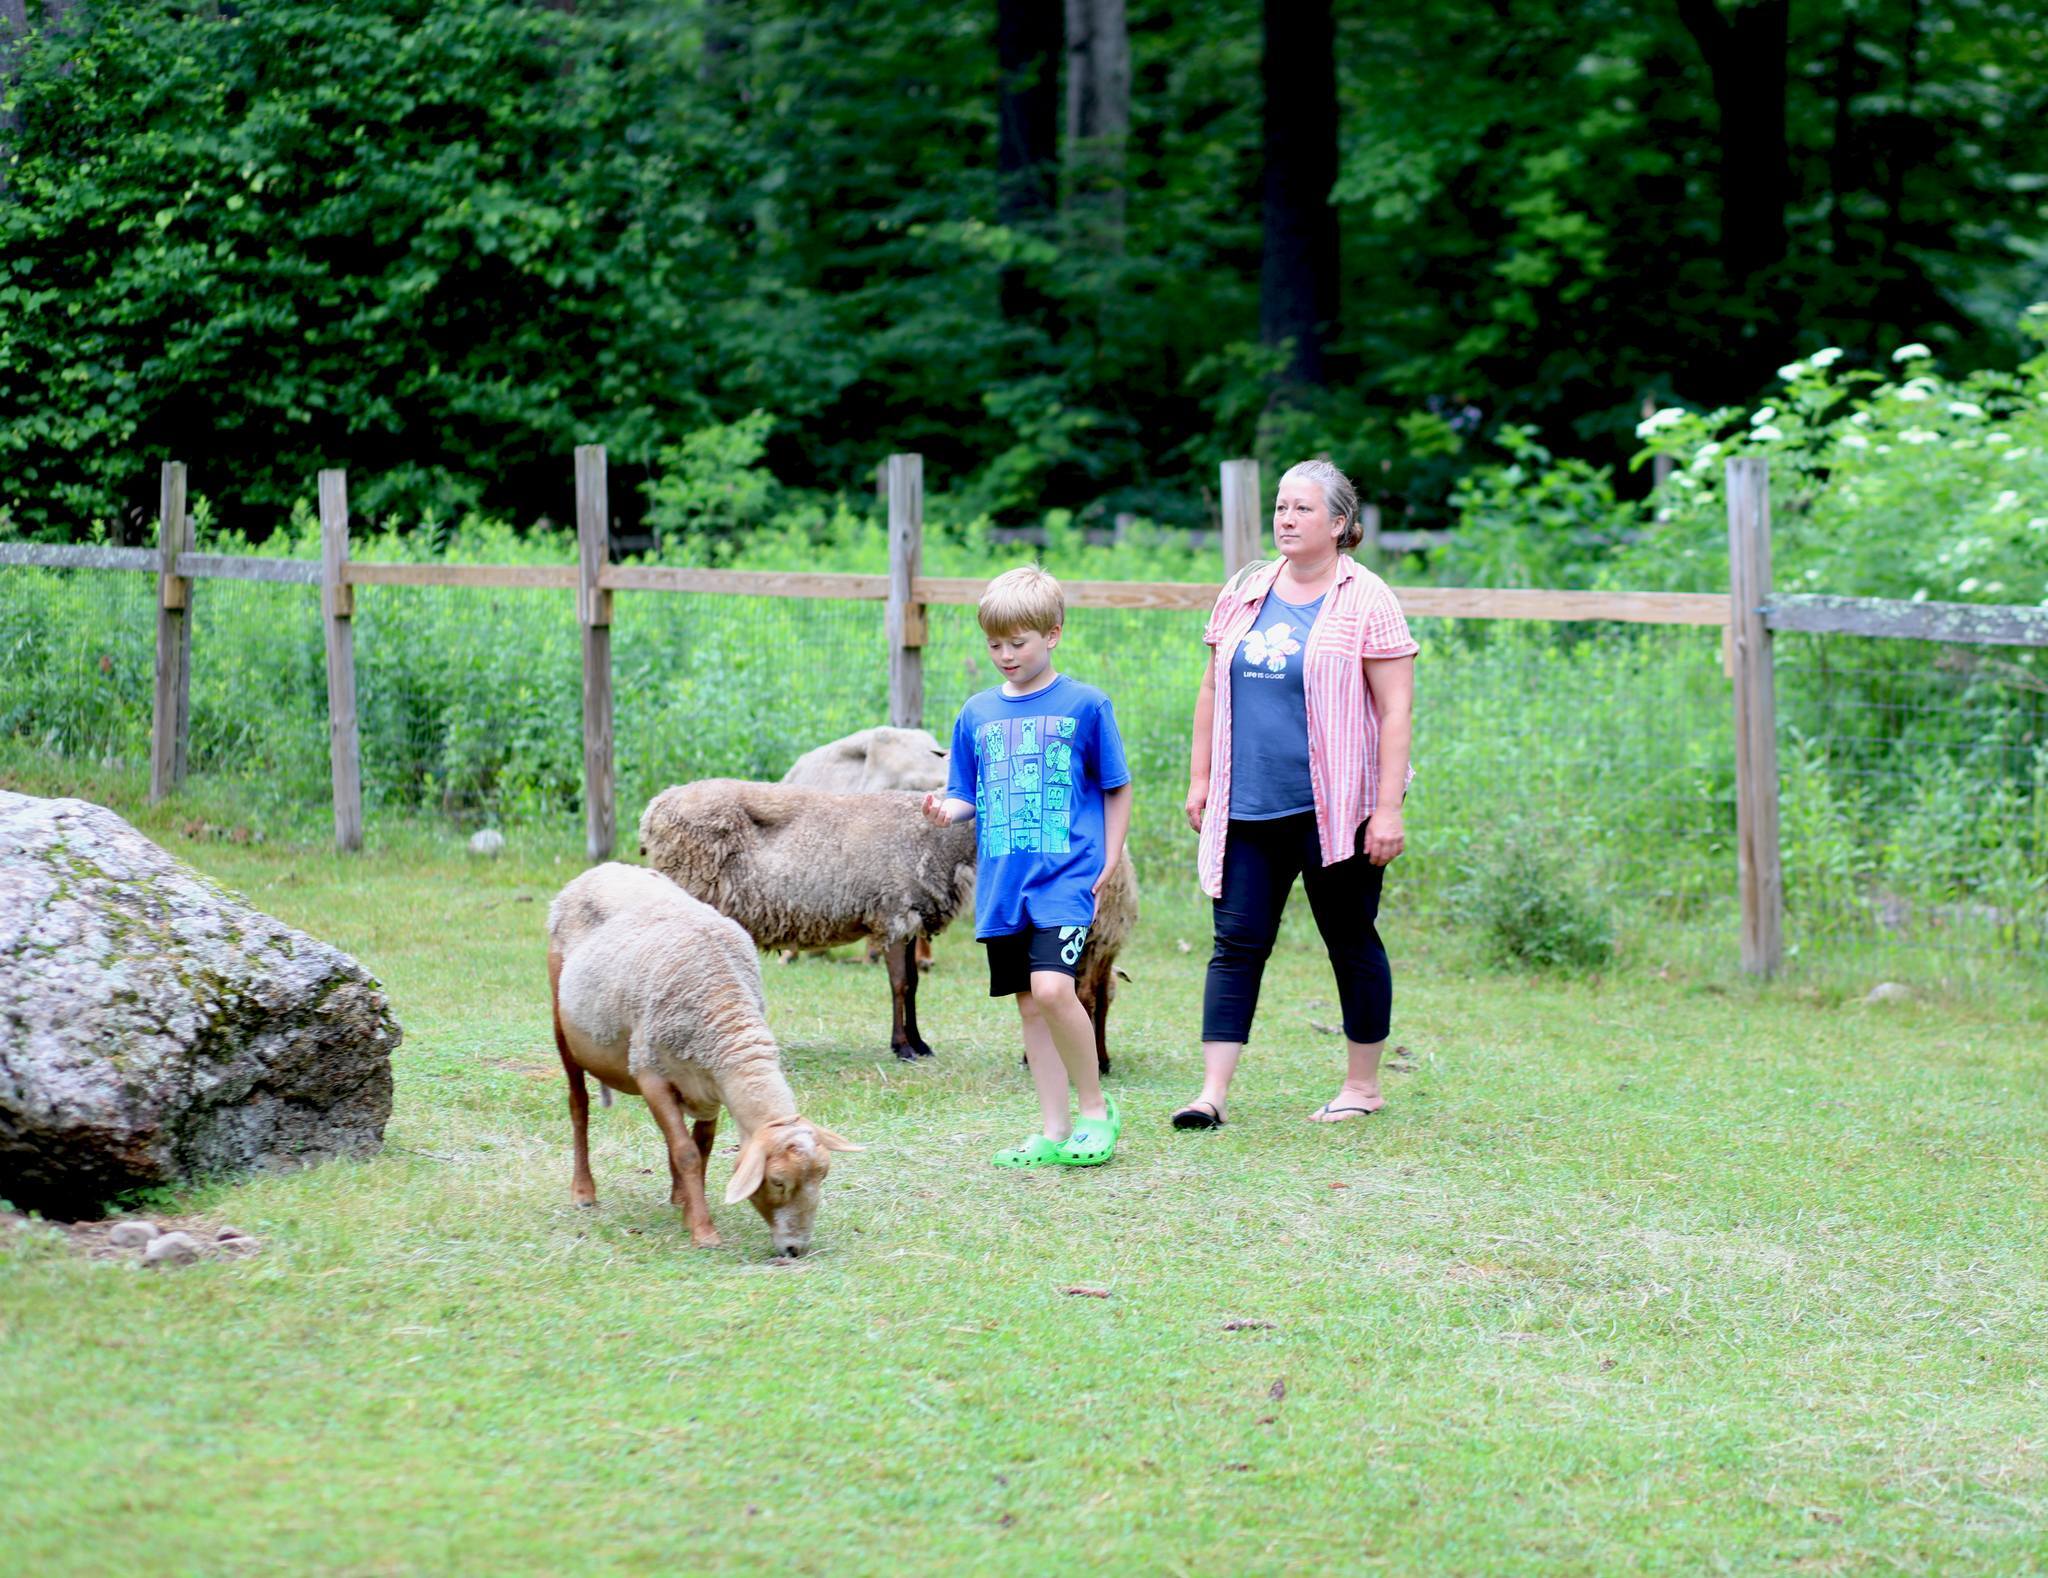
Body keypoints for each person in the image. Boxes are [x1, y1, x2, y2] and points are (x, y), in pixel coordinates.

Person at [1174, 459, 1418, 1130]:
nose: (1286, 519)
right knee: (1237, 943)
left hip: (1337, 808)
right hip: (1247, 804)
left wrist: (1388, 809)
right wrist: (1200, 779)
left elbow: (1395, 711)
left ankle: (1363, 1086)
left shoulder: (1368, 599)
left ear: (1339, 524)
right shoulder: (1248, 589)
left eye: (1303, 509)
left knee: (1349, 938)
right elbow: (1211, 686)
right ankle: (1211, 1094)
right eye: (1281, 507)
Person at [923, 565, 1134, 1167]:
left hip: (1066, 878)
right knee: (1028, 1003)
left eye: (1018, 643)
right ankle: (1053, 1128)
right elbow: (967, 793)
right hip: (1002, 885)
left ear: (1053, 634)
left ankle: (1096, 1111)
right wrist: (946, 809)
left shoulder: (1088, 706)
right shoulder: (976, 713)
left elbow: (1117, 787)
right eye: (994, 644)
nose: (1005, 655)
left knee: (1052, 987)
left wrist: (1111, 855)